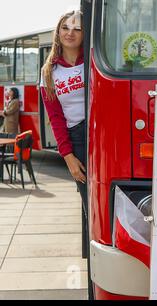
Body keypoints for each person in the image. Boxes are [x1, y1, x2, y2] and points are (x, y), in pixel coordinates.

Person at [40, 10, 87, 212]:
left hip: (103, 132)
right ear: (58, 32)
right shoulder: (49, 72)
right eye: (65, 27)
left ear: (85, 33)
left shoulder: (96, 61)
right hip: (77, 137)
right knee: (89, 202)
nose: (70, 33)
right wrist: (68, 157)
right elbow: (56, 118)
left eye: (77, 28)